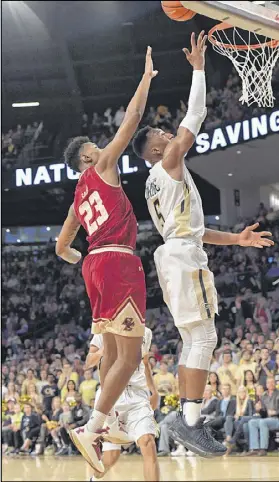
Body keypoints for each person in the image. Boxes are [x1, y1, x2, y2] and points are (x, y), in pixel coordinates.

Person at [133, 31, 273, 458]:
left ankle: (184, 417)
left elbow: (192, 228)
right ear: (156, 148)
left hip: (174, 253)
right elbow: (196, 114)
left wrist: (237, 239)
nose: (167, 133)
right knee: (205, 335)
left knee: (195, 337)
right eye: (161, 132)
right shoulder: (169, 162)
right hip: (181, 256)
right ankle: (188, 420)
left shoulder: (156, 183)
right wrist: (197, 69)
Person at [55, 47, 158, 473]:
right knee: (130, 359)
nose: (103, 147)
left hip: (94, 266)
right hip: (116, 262)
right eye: (95, 147)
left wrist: (85, 254)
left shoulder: (77, 196)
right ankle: (93, 426)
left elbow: (62, 246)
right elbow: (131, 121)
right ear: (87, 158)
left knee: (115, 356)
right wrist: (147, 78)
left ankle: (108, 420)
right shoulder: (103, 166)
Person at [87, 327, 159, 481]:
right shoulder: (104, 331)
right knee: (111, 456)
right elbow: (89, 361)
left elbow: (145, 363)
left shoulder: (145, 331)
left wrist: (153, 390)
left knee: (148, 442)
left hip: (138, 395)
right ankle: (93, 479)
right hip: (111, 396)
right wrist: (106, 349)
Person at [246, 377, 279, 456]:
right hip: (267, 419)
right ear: (266, 384)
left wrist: (275, 412)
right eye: (268, 383)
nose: (270, 384)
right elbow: (264, 413)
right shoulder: (264, 395)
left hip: (278, 419)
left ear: (275, 383)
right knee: (252, 422)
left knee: (263, 422)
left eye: (272, 382)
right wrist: (259, 410)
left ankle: (263, 449)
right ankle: (255, 448)